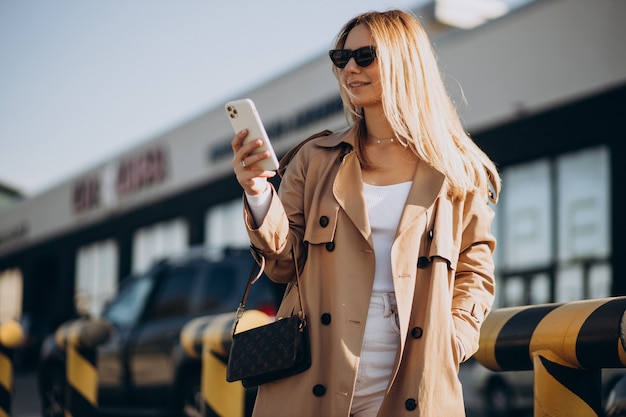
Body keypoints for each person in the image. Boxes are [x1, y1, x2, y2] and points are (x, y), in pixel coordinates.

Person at [231, 9, 500, 417]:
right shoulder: (314, 159)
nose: (350, 68)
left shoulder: (457, 170)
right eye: (341, 59)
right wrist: (256, 192)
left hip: (415, 374)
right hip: (314, 368)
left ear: (403, 60)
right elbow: (283, 264)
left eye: (364, 56)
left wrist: (454, 340)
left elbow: (474, 272)